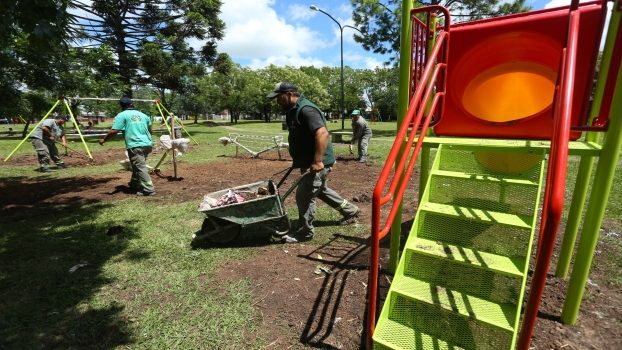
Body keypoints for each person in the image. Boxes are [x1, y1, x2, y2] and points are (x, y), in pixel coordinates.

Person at [267, 82, 360, 243]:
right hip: (308, 161)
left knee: (304, 195)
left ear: (289, 94)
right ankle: (350, 210)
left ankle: (304, 233)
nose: (277, 101)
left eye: (279, 97)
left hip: (318, 162)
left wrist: (317, 161)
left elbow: (323, 134)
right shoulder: (293, 110)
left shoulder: (306, 110)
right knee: (320, 190)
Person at [99, 96, 155, 196]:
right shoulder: (143, 115)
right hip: (147, 144)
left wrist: (104, 139)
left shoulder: (122, 115)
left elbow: (114, 131)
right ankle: (134, 184)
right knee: (137, 165)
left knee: (140, 166)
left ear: (121, 105)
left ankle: (148, 189)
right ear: (132, 104)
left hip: (135, 145)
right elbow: (150, 130)